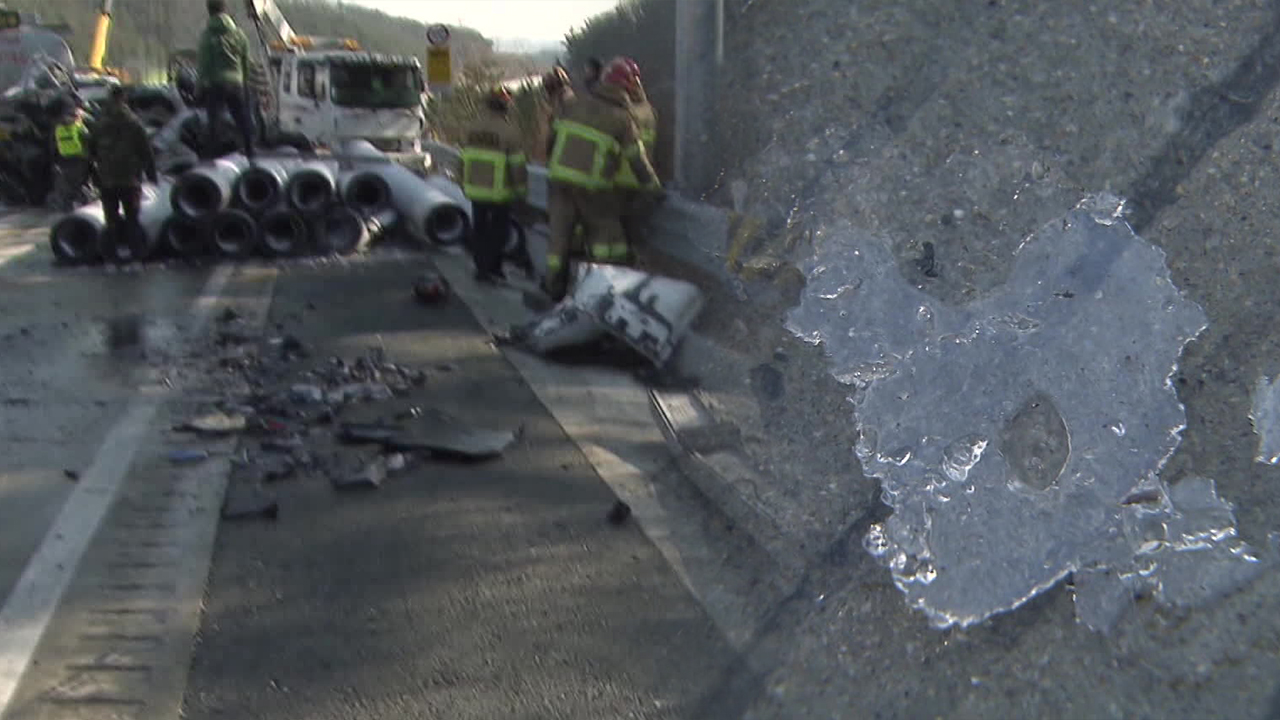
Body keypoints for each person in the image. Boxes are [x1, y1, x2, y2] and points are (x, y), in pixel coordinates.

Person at [543, 56, 660, 300]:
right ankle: (601, 293)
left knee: (559, 238)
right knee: (608, 240)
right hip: (593, 187)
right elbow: (636, 159)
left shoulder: (575, 104)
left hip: (559, 180)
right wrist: (652, 186)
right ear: (628, 85)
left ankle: (554, 287)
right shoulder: (622, 118)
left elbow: (552, 140)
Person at [459, 87, 528, 283]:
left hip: (475, 189)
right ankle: (494, 268)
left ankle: (481, 268)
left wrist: (462, 182)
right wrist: (521, 191)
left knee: (480, 229)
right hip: (499, 192)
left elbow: (462, 159)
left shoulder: (471, 127)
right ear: (506, 106)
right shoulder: (509, 131)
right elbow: (517, 166)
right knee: (499, 232)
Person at [87, 85, 157, 262]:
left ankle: (111, 255)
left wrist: (93, 176)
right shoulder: (134, 123)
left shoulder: (99, 123)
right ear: (124, 99)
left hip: (107, 179)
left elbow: (90, 151)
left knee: (111, 219)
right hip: (130, 179)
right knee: (132, 219)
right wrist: (152, 175)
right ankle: (136, 255)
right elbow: (146, 151)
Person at [612, 57, 660, 255]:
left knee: (615, 236)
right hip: (641, 181)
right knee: (634, 236)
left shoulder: (623, 112)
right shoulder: (649, 110)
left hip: (618, 181)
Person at [198, 0, 255, 159]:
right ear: (226, 10)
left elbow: (204, 64)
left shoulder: (208, 36)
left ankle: (212, 157)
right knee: (243, 120)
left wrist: (199, 87)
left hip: (216, 84)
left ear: (209, 11)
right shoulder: (239, 34)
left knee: (214, 122)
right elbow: (246, 61)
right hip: (236, 83)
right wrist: (245, 83)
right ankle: (251, 152)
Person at [49, 95, 92, 210]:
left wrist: (55, 161)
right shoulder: (78, 126)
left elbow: (53, 145)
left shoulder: (58, 128)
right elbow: (88, 138)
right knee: (76, 183)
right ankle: (79, 204)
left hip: (66, 159)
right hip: (79, 158)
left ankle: (67, 205)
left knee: (68, 184)